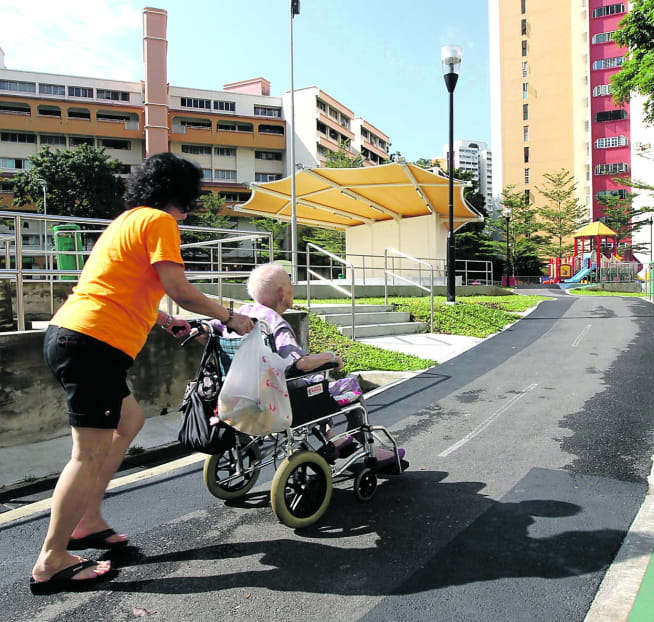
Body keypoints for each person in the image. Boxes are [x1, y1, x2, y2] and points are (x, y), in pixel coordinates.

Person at [31, 153, 255, 595]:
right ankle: (51, 559)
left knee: (129, 420)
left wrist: (162, 318)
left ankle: (88, 519)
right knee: (87, 453)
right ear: (182, 195)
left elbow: (120, 284)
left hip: (75, 335)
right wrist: (230, 316)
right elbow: (179, 289)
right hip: (93, 344)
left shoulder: (126, 221)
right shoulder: (160, 221)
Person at [213, 262, 407, 471]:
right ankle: (367, 446)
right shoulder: (275, 324)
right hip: (281, 398)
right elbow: (301, 363)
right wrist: (331, 357)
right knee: (344, 386)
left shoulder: (240, 315)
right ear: (282, 292)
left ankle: (333, 438)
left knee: (314, 385)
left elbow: (211, 328)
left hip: (247, 394)